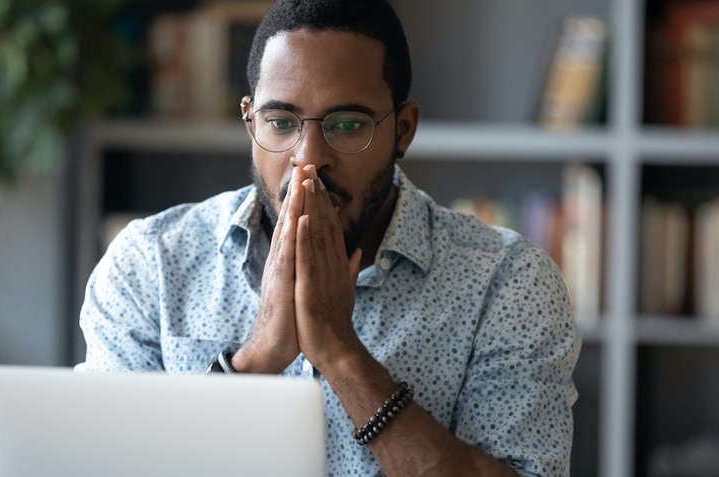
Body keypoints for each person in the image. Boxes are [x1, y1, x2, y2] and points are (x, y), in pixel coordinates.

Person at [77, 1, 581, 476]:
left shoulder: (508, 282)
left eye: (346, 124)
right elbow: (106, 463)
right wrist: (258, 358)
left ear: (403, 130)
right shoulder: (150, 263)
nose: (309, 158)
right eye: (280, 122)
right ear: (250, 121)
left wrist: (341, 353)